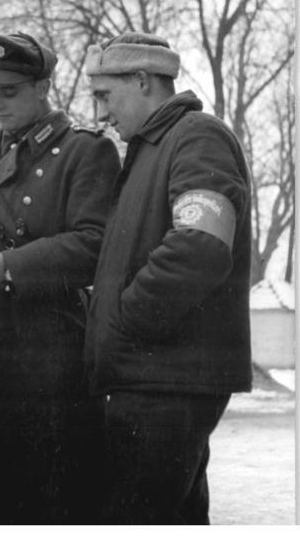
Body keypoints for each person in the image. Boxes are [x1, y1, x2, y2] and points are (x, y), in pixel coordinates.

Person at [0, 32, 121, 524]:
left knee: (43, 497)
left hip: (46, 357)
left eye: (9, 92)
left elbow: (97, 245)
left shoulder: (84, 152)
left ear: (43, 88)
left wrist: (10, 267)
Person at [83, 32, 252, 524]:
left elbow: (200, 246)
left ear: (142, 80)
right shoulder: (151, 150)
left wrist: (124, 319)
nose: (101, 114)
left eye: (104, 96)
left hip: (165, 384)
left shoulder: (197, 137)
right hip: (155, 380)